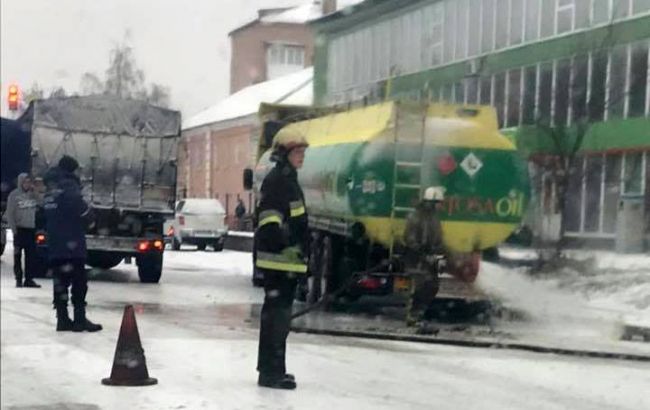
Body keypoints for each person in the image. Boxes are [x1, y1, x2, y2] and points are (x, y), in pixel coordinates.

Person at [255, 129, 309, 390]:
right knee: (276, 319)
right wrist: (286, 245)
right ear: (284, 154)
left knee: (279, 319)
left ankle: (275, 369)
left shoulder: (288, 180)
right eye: (297, 152)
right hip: (279, 261)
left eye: (303, 152)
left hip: (287, 261)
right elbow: (269, 221)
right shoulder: (278, 181)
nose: (302, 157)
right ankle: (270, 373)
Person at [43, 155, 102, 332]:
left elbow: (44, 214)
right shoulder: (69, 187)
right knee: (79, 283)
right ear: (71, 170)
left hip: (55, 244)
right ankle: (79, 319)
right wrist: (91, 219)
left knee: (60, 282)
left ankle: (62, 319)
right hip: (72, 245)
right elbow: (83, 211)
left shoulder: (50, 189)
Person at [403, 186, 446, 327]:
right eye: (438, 202)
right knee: (418, 287)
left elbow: (438, 238)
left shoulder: (434, 218)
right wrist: (424, 254)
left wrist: (439, 253)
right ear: (431, 202)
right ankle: (412, 316)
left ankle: (419, 314)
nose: (440, 206)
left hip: (430, 259)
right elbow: (410, 240)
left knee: (432, 286)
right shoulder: (415, 217)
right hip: (416, 259)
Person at [6, 173, 42, 288]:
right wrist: (13, 228)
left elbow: (41, 203)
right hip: (19, 229)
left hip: (30, 229)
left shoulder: (32, 195)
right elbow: (10, 213)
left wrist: (35, 192)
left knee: (31, 256)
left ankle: (29, 279)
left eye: (29, 182)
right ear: (21, 182)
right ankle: (18, 278)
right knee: (17, 256)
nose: (27, 184)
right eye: (25, 182)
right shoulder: (14, 195)